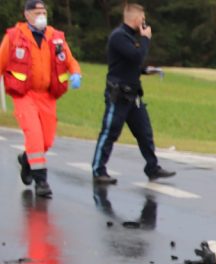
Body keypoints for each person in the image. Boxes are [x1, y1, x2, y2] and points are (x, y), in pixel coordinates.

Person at [0, 0, 82, 198]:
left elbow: (70, 60)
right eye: (37, 12)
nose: (41, 16)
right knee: (34, 136)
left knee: (46, 140)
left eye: (44, 12)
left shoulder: (56, 38)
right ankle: (41, 180)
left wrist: (76, 73)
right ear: (27, 14)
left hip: (47, 96)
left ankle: (27, 159)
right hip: (24, 95)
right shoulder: (14, 37)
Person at [91, 3, 174, 185]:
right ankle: (98, 170)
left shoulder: (130, 37)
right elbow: (136, 56)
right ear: (136, 19)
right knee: (110, 132)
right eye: (143, 19)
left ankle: (152, 167)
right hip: (119, 95)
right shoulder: (119, 37)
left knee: (145, 133)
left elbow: (132, 63)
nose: (144, 23)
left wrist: (146, 71)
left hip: (134, 97)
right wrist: (145, 39)